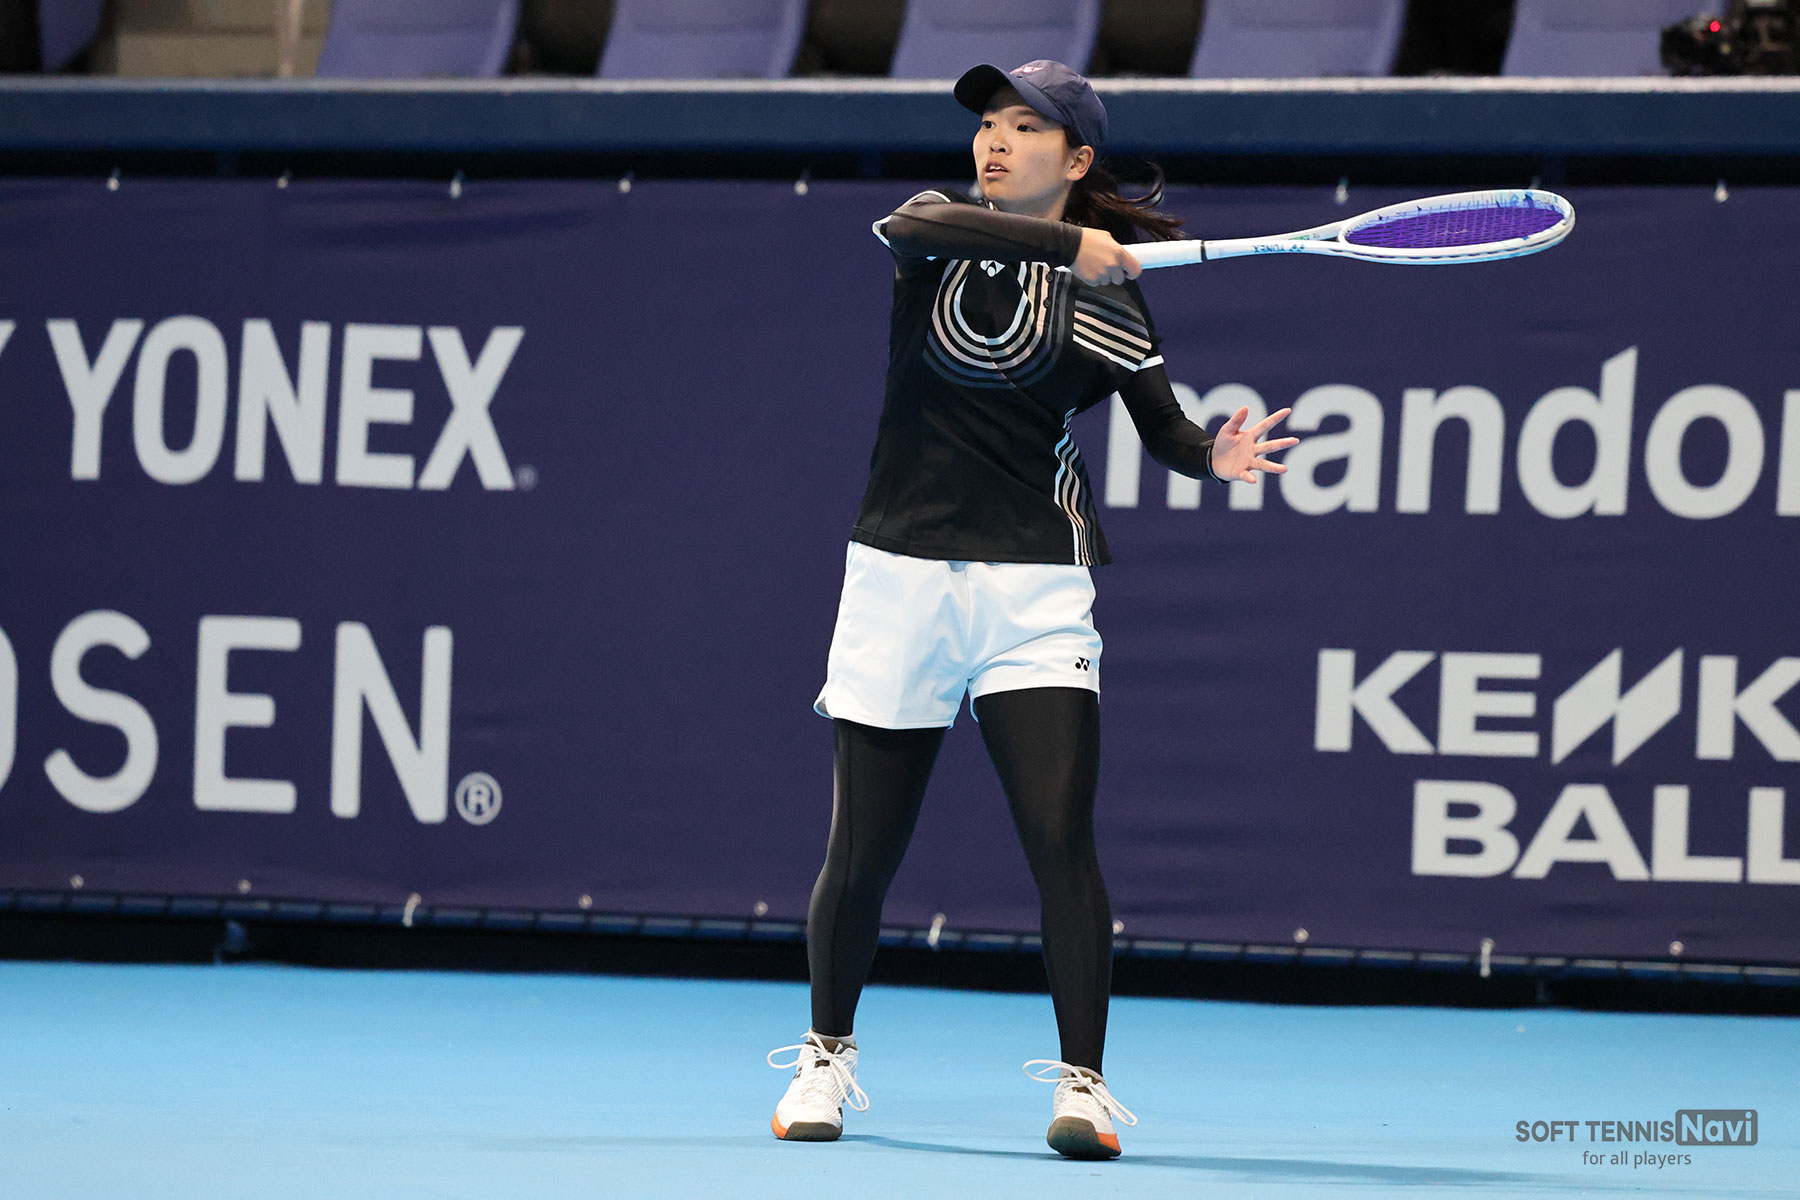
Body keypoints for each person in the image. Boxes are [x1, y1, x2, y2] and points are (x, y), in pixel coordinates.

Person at [765, 59, 1297, 1161]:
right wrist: (1068, 247)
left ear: (1077, 157)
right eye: (988, 125)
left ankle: (1084, 1089)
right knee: (862, 851)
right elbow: (908, 220)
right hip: (900, 577)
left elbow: (1163, 427)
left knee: (1060, 839)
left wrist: (1212, 454)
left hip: (1036, 589)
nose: (994, 142)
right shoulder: (939, 236)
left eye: (1024, 126)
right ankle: (825, 1056)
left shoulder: (1111, 295)